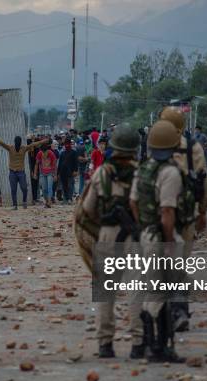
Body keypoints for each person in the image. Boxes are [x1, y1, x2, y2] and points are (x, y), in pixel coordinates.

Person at [81, 123, 144, 359]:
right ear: (136, 148)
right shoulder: (144, 173)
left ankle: (105, 344)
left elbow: (87, 210)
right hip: (136, 238)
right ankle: (138, 343)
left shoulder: (102, 173)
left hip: (107, 235)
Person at [130, 120, 189, 363]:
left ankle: (153, 344)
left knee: (153, 289)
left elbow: (133, 202)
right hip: (161, 237)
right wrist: (167, 242)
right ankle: (159, 347)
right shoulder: (170, 172)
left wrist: (144, 226)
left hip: (145, 235)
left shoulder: (143, 169)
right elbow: (167, 212)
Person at [159, 107, 207, 332]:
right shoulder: (193, 148)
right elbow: (203, 182)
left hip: (160, 214)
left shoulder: (155, 145)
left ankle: (166, 312)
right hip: (187, 216)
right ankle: (178, 310)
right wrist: (203, 212)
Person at [0, 135, 47, 209]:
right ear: (15, 142)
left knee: (24, 188)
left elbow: (34, 144)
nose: (18, 143)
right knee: (13, 189)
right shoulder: (10, 148)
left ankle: (24, 201)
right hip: (12, 172)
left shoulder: (24, 148)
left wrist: (44, 141)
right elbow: (2, 143)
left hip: (21, 172)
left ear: (20, 142)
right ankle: (15, 205)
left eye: (19, 142)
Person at [34, 142, 57, 208]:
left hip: (50, 173)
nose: (44, 154)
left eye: (45, 152)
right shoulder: (39, 154)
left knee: (49, 188)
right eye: (43, 152)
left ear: (47, 150)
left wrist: (55, 175)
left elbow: (55, 165)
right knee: (44, 189)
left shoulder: (51, 154)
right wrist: (35, 173)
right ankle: (47, 201)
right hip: (42, 173)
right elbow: (36, 164)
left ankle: (49, 202)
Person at [57, 139, 79, 204]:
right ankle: (65, 199)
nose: (67, 145)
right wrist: (58, 173)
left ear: (70, 144)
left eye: (68, 144)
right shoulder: (62, 153)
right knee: (64, 186)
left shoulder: (74, 152)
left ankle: (69, 198)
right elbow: (60, 164)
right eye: (65, 144)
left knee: (70, 185)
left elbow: (76, 162)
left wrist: (76, 170)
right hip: (62, 172)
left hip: (71, 172)